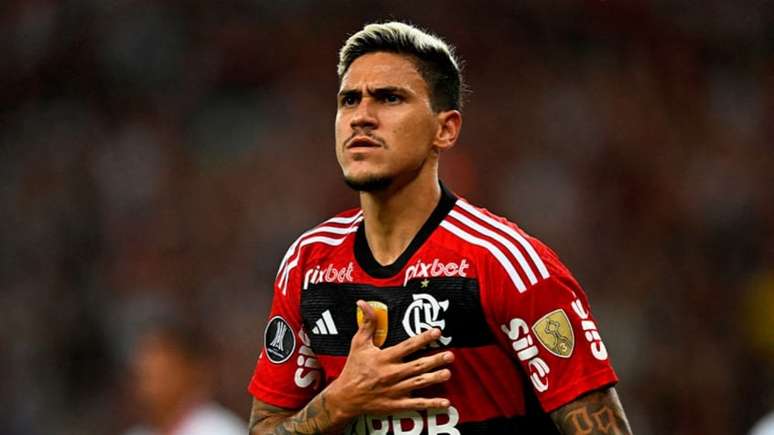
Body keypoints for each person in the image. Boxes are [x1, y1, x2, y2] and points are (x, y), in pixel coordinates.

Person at [247, 21, 633, 434]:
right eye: (349, 100)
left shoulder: (507, 264)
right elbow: (264, 427)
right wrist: (338, 401)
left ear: (445, 129)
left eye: (389, 98)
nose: (361, 117)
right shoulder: (308, 264)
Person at [124, 321, 246, 435]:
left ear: (192, 372)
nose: (149, 387)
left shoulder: (220, 430)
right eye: (144, 376)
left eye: (163, 375)